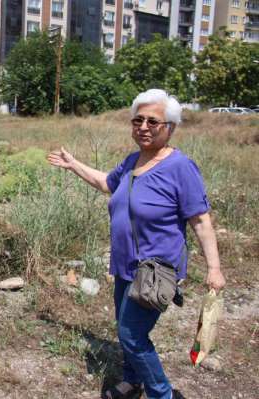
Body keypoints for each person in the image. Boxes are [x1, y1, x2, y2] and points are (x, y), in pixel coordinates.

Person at [47, 89, 225, 399]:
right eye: (138, 120)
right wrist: (74, 164)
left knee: (131, 334)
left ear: (170, 127)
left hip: (156, 270)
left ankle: (162, 394)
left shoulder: (180, 167)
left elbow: (200, 220)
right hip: (125, 265)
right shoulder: (132, 161)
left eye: (153, 121)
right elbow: (107, 183)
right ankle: (132, 382)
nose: (143, 127)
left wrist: (215, 268)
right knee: (125, 327)